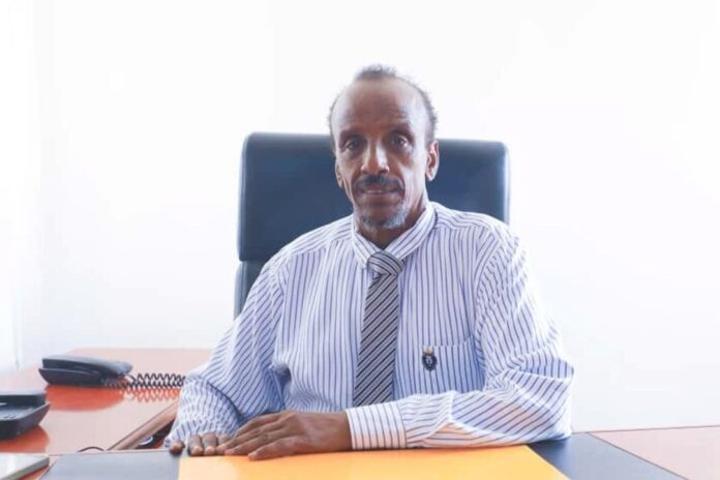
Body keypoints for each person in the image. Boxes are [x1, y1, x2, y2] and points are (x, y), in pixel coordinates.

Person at [166, 65, 573, 460]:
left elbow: (540, 398)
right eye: (353, 144)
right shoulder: (290, 270)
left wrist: (352, 428)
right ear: (338, 169)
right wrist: (204, 432)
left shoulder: (488, 252)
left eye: (398, 140)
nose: (374, 163)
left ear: (430, 159)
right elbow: (214, 390)